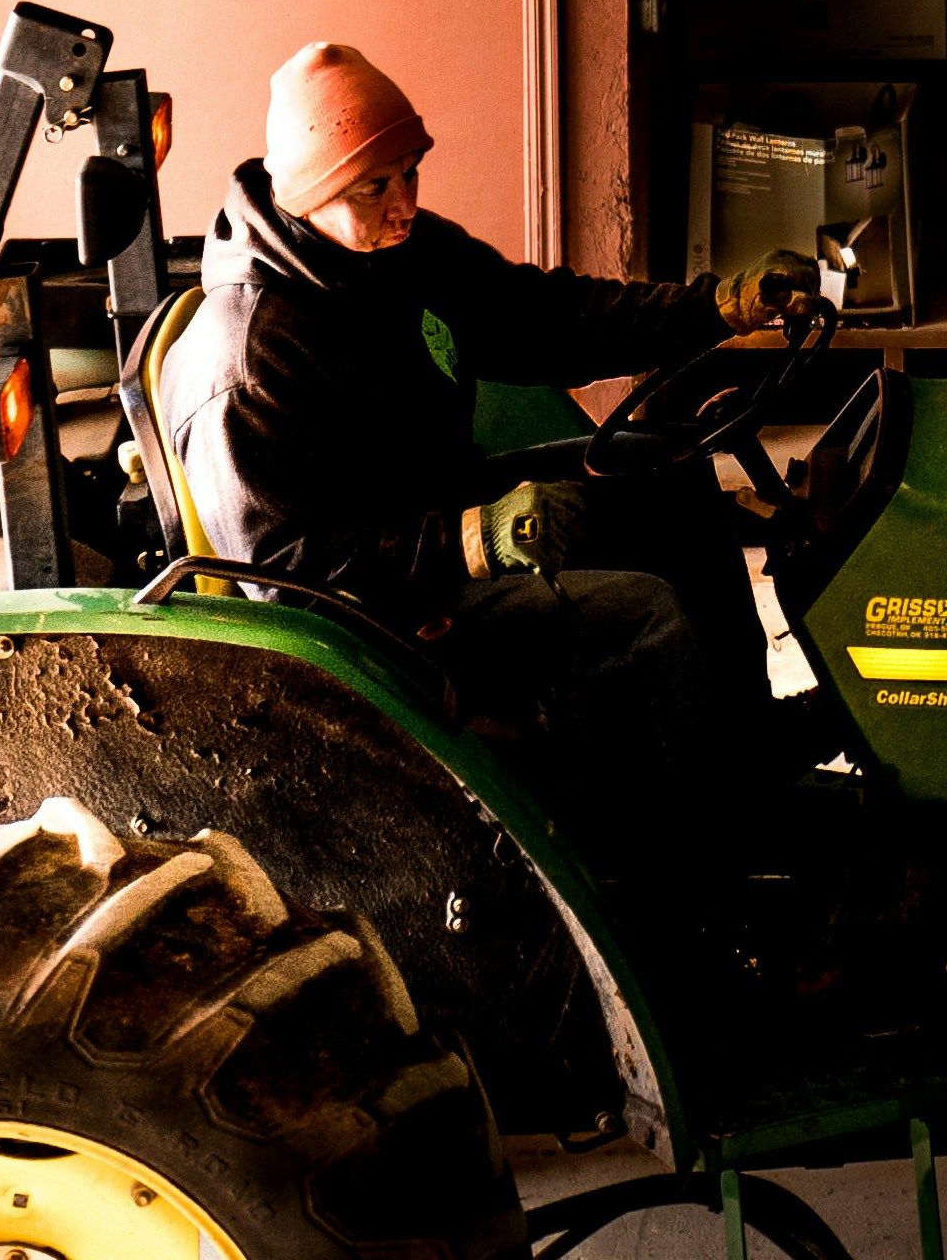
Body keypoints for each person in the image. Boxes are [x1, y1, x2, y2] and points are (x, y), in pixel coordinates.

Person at [157, 40, 826, 782]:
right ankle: (698, 839)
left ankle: (749, 741)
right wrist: (472, 542)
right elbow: (286, 574)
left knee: (666, 476)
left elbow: (547, 317)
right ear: (308, 197)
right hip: (383, 618)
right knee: (644, 613)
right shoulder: (251, 362)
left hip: (439, 513)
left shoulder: (395, 253)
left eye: (409, 174)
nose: (405, 203)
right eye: (373, 187)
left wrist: (713, 308)